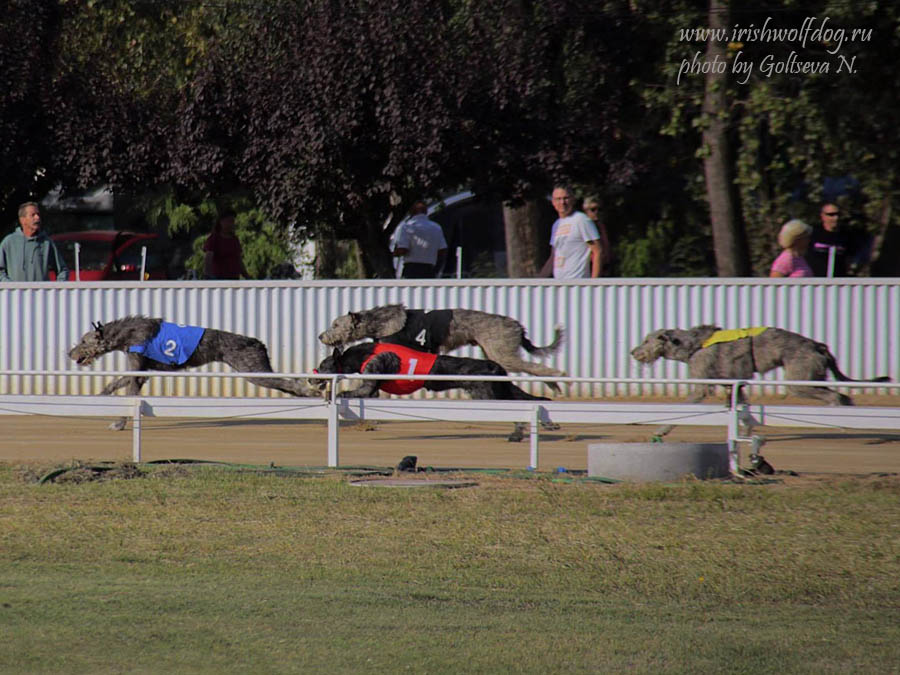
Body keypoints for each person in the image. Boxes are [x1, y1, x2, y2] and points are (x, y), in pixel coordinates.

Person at [540, 186, 602, 279]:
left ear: (573, 200)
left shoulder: (581, 220)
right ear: (553, 202)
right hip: (560, 284)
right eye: (558, 199)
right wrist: (538, 280)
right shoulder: (556, 225)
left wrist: (593, 284)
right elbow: (553, 256)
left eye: (566, 198)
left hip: (578, 284)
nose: (562, 202)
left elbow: (598, 251)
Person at [0, 202, 69, 281]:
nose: (37, 218)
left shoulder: (46, 243)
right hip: (16, 293)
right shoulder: (9, 242)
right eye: (33, 215)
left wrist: (55, 290)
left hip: (41, 293)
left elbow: (62, 271)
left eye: (38, 214)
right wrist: (11, 288)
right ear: (22, 220)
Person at [392, 201, 447, 279]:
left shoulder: (407, 227)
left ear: (411, 212)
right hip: (429, 268)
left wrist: (395, 252)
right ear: (426, 211)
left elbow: (403, 250)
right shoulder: (436, 227)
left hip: (411, 268)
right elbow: (442, 250)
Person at [807, 202, 855, 277]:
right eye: (831, 215)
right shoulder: (813, 234)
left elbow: (849, 260)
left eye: (838, 214)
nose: (836, 218)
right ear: (822, 216)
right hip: (815, 282)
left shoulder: (846, 237)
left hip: (838, 283)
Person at [203, 210, 249, 280]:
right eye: (229, 221)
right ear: (221, 222)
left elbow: (239, 260)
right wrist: (208, 277)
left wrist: (246, 276)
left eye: (233, 221)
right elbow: (208, 258)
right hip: (218, 280)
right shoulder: (214, 239)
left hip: (234, 279)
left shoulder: (234, 239)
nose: (231, 224)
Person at [582, 195, 613, 276]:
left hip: (605, 267)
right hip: (590, 268)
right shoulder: (584, 226)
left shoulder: (602, 226)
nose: (597, 212)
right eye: (593, 209)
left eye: (599, 209)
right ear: (586, 211)